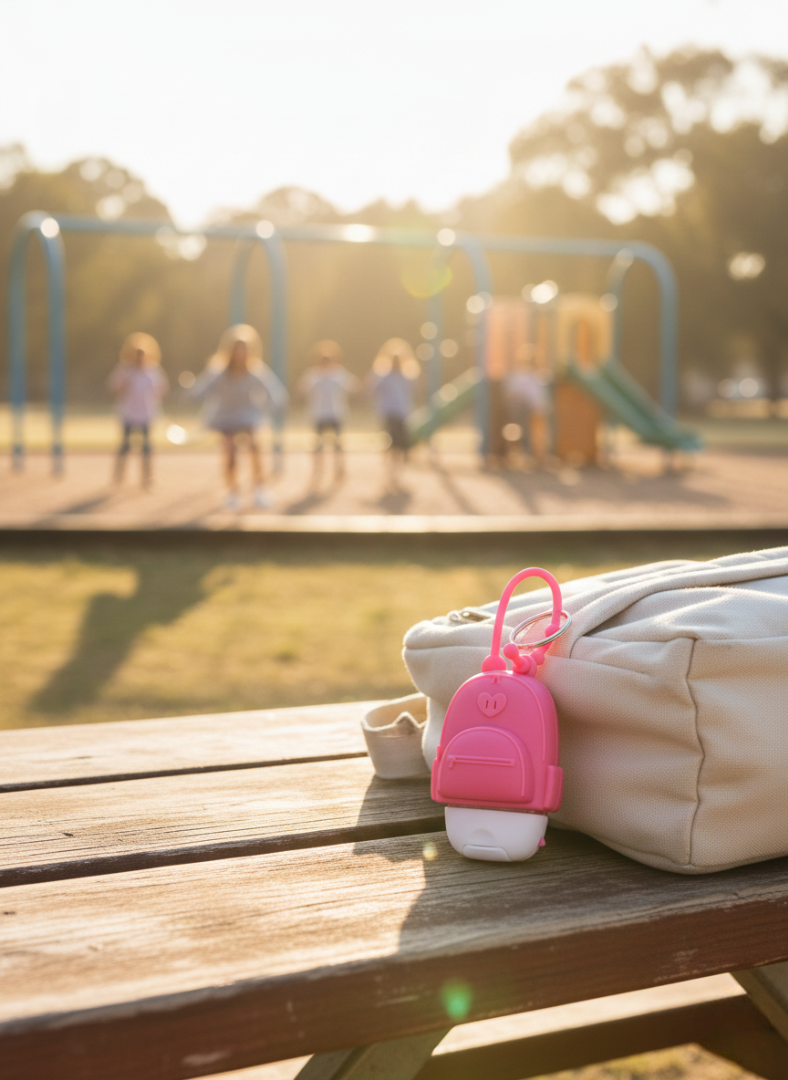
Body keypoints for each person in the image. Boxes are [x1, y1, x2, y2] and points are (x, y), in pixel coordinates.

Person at [192, 324, 287, 510]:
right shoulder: (219, 372)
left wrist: (278, 402)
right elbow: (202, 388)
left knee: (254, 443)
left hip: (247, 414)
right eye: (238, 350)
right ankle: (233, 491)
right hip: (225, 415)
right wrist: (190, 393)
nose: (241, 354)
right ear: (230, 351)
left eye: (244, 350)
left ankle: (260, 488)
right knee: (230, 448)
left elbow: (273, 389)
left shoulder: (255, 370)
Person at [107, 332, 168, 489]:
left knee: (146, 447)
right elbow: (113, 387)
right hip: (128, 413)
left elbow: (162, 389)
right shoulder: (125, 370)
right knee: (125, 445)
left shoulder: (153, 370)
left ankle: (147, 478)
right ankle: (118, 476)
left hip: (146, 414)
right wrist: (123, 386)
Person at [298, 340, 359, 483]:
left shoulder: (338, 374)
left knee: (337, 443)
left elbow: (352, 386)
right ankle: (318, 469)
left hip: (335, 413)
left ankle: (339, 468)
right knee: (319, 444)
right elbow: (302, 388)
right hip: (319, 414)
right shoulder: (314, 375)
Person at [368, 338, 418, 487]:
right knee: (392, 439)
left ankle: (397, 466)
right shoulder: (384, 376)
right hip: (389, 412)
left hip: (402, 412)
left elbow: (413, 389)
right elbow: (373, 389)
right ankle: (390, 465)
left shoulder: (406, 376)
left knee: (401, 441)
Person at [504, 344, 550, 467]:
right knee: (529, 430)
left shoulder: (535, 377)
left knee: (535, 430)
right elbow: (514, 397)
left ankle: (536, 455)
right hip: (524, 412)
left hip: (533, 411)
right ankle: (533, 454)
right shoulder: (522, 377)